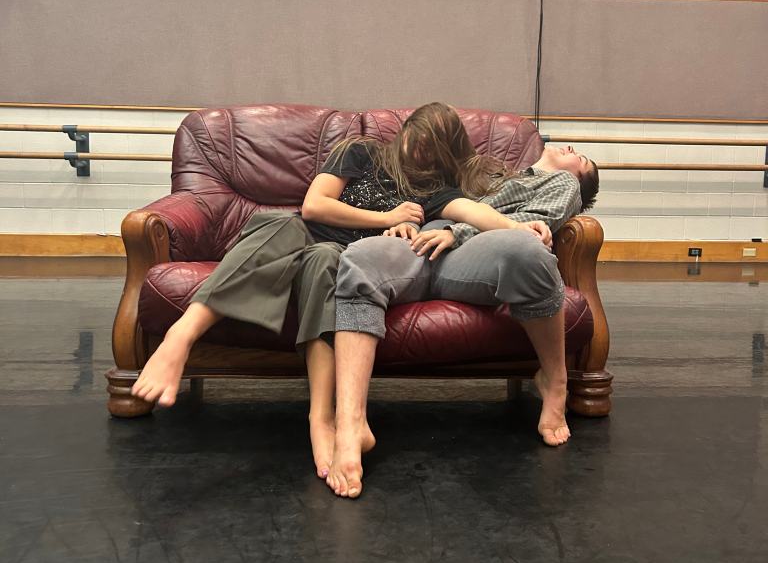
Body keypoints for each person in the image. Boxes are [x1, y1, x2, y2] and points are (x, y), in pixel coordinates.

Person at [130, 103, 519, 477]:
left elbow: (476, 213)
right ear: (404, 132)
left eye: (429, 151)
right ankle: (181, 336)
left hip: (339, 256)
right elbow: (314, 206)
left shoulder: (433, 193)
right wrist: (387, 217)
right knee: (282, 226)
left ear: (444, 154)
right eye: (414, 142)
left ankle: (321, 418)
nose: (416, 154)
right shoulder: (362, 152)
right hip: (294, 237)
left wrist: (518, 228)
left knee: (326, 263)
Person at [325, 144, 600, 498]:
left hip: (471, 252)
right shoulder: (496, 171)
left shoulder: (563, 183)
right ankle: (351, 425)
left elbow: (534, 226)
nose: (573, 149)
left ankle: (556, 381)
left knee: (528, 253)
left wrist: (457, 233)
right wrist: (404, 221)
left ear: (578, 178)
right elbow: (431, 193)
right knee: (359, 258)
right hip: (423, 239)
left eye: (581, 159)